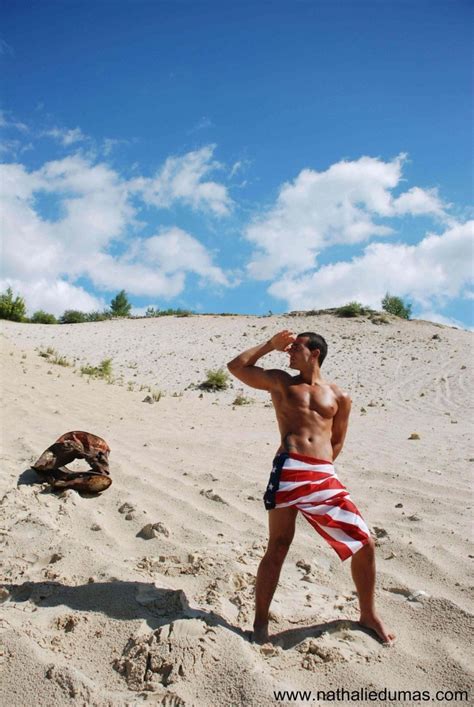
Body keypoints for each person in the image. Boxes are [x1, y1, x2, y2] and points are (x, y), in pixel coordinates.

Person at [227, 329, 394, 645]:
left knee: (364, 542)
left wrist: (321, 468)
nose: (289, 352)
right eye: (288, 348)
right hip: (288, 469)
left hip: (322, 475)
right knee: (278, 546)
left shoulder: (339, 396)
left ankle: (368, 613)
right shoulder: (281, 381)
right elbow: (236, 367)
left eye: (296, 347)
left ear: (315, 352)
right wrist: (268, 346)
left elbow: (337, 440)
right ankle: (260, 624)